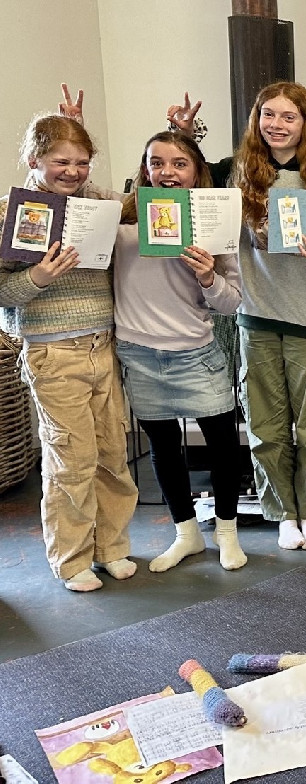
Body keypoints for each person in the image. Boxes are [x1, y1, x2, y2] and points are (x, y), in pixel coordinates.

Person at [171, 84, 306, 551]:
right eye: (267, 115)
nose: (276, 124)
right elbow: (185, 180)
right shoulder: (236, 175)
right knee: (264, 426)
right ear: (257, 120)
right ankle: (282, 514)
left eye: (288, 116)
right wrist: (183, 134)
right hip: (255, 318)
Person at [0, 103, 139, 591]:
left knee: (112, 453)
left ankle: (113, 547)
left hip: (104, 345)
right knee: (69, 459)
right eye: (60, 161)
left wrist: (179, 135)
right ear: (35, 160)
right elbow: (2, 293)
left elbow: (140, 202)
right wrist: (38, 277)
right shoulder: (9, 212)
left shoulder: (94, 201)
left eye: (81, 162)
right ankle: (72, 559)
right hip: (52, 352)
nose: (72, 172)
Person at [113, 131, 246, 572]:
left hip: (195, 351)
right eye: (157, 162)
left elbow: (231, 302)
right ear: (145, 168)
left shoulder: (214, 223)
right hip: (139, 351)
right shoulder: (123, 216)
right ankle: (186, 533)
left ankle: (226, 532)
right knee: (164, 448)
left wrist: (209, 276)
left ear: (196, 171)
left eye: (179, 163)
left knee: (224, 445)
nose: (167, 172)